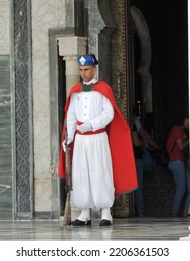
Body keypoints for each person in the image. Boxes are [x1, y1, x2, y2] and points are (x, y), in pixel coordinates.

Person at [59, 54, 138, 226]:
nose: (83, 73)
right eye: (80, 70)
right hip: (80, 140)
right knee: (81, 174)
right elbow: (71, 117)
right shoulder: (75, 92)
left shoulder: (103, 89)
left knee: (100, 172)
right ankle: (84, 212)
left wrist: (92, 124)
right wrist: (68, 138)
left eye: (86, 69)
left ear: (93, 69)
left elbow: (109, 114)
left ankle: (105, 212)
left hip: (97, 137)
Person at [132, 109, 160, 217]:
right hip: (136, 157)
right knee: (138, 185)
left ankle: (132, 210)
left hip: (125, 158)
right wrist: (146, 144)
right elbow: (137, 142)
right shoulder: (134, 123)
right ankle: (139, 211)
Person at [166, 115, 189, 217]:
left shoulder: (182, 132)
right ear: (184, 119)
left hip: (180, 162)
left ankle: (185, 212)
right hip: (176, 162)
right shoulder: (177, 129)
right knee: (181, 189)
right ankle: (174, 212)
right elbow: (180, 147)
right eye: (189, 120)